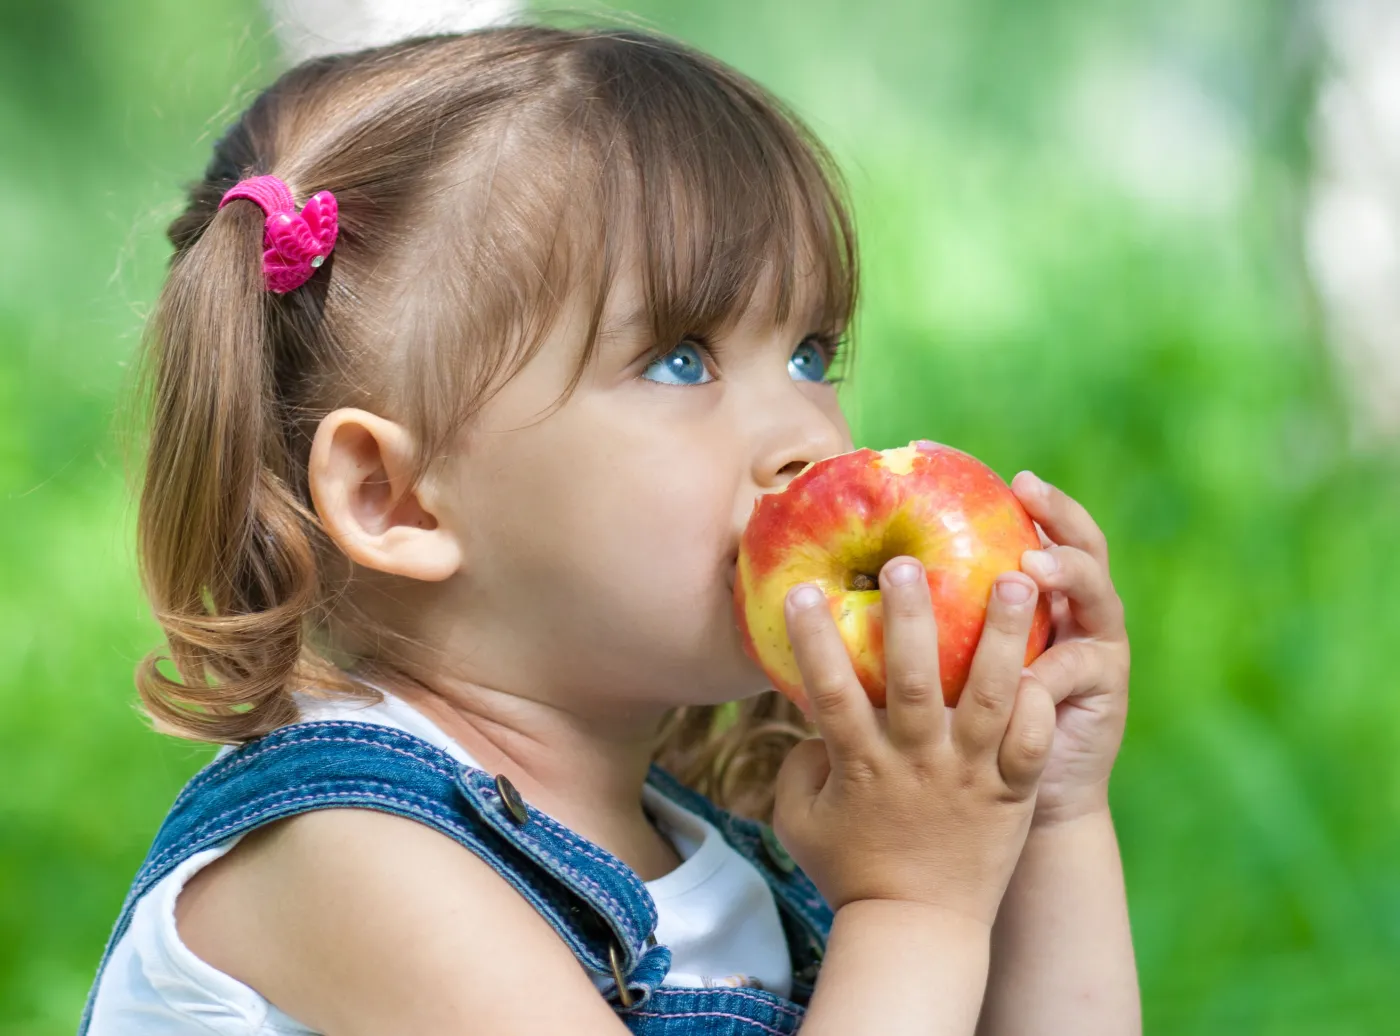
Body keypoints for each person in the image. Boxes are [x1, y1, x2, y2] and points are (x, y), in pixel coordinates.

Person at [82, 24, 1139, 1035]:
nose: (805, 440)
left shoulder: (704, 848)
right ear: (394, 499)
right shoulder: (352, 855)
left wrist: (1047, 814)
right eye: (680, 359)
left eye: (811, 353)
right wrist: (913, 912)